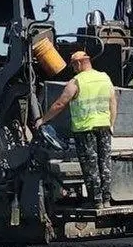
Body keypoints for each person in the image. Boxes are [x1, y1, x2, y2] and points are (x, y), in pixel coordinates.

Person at [35, 50, 117, 209]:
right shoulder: (104, 77)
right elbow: (113, 102)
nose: (73, 68)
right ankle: (106, 199)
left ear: (79, 63)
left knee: (90, 165)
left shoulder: (76, 82)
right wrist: (111, 123)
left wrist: (43, 120)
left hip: (85, 129)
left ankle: (96, 201)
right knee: (105, 163)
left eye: (73, 65)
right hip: (104, 127)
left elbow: (60, 104)